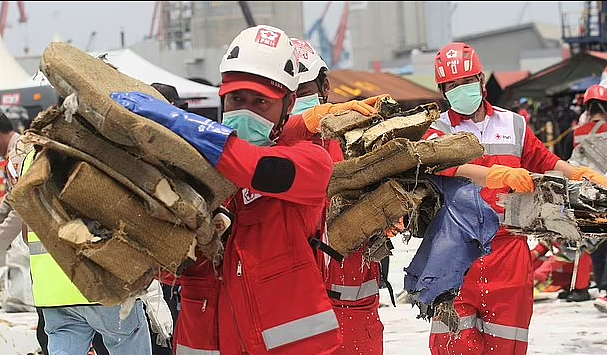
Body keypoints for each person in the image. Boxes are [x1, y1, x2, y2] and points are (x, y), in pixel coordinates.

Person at [111, 25, 357, 355]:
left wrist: (178, 122)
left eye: (260, 102)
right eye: (236, 99)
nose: (245, 111)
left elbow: (255, 166)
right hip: (206, 339)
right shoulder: (198, 174)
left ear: (288, 104)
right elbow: (173, 268)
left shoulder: (311, 160)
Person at [424, 41, 607, 355]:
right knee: (453, 346)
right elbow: (436, 163)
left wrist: (578, 173)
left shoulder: (514, 124)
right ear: (443, 91)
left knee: (507, 344)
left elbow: (543, 161)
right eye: (451, 85)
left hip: (509, 252)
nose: (460, 90)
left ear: (481, 81)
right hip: (454, 255)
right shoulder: (435, 130)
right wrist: (495, 175)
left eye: (466, 81)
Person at [284, 37, 386, 355]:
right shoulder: (275, 147)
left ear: (324, 87)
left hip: (355, 305)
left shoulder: (357, 141)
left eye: (303, 92)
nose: (296, 101)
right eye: (289, 95)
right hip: (297, 312)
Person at [21, 140, 153, 355]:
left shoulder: (31, 159)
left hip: (54, 292)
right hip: (106, 282)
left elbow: (27, 234)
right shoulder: (105, 147)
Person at [571, 83, 607, 313]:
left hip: (586, 193)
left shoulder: (577, 132)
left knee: (593, 242)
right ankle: (605, 289)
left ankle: (590, 288)